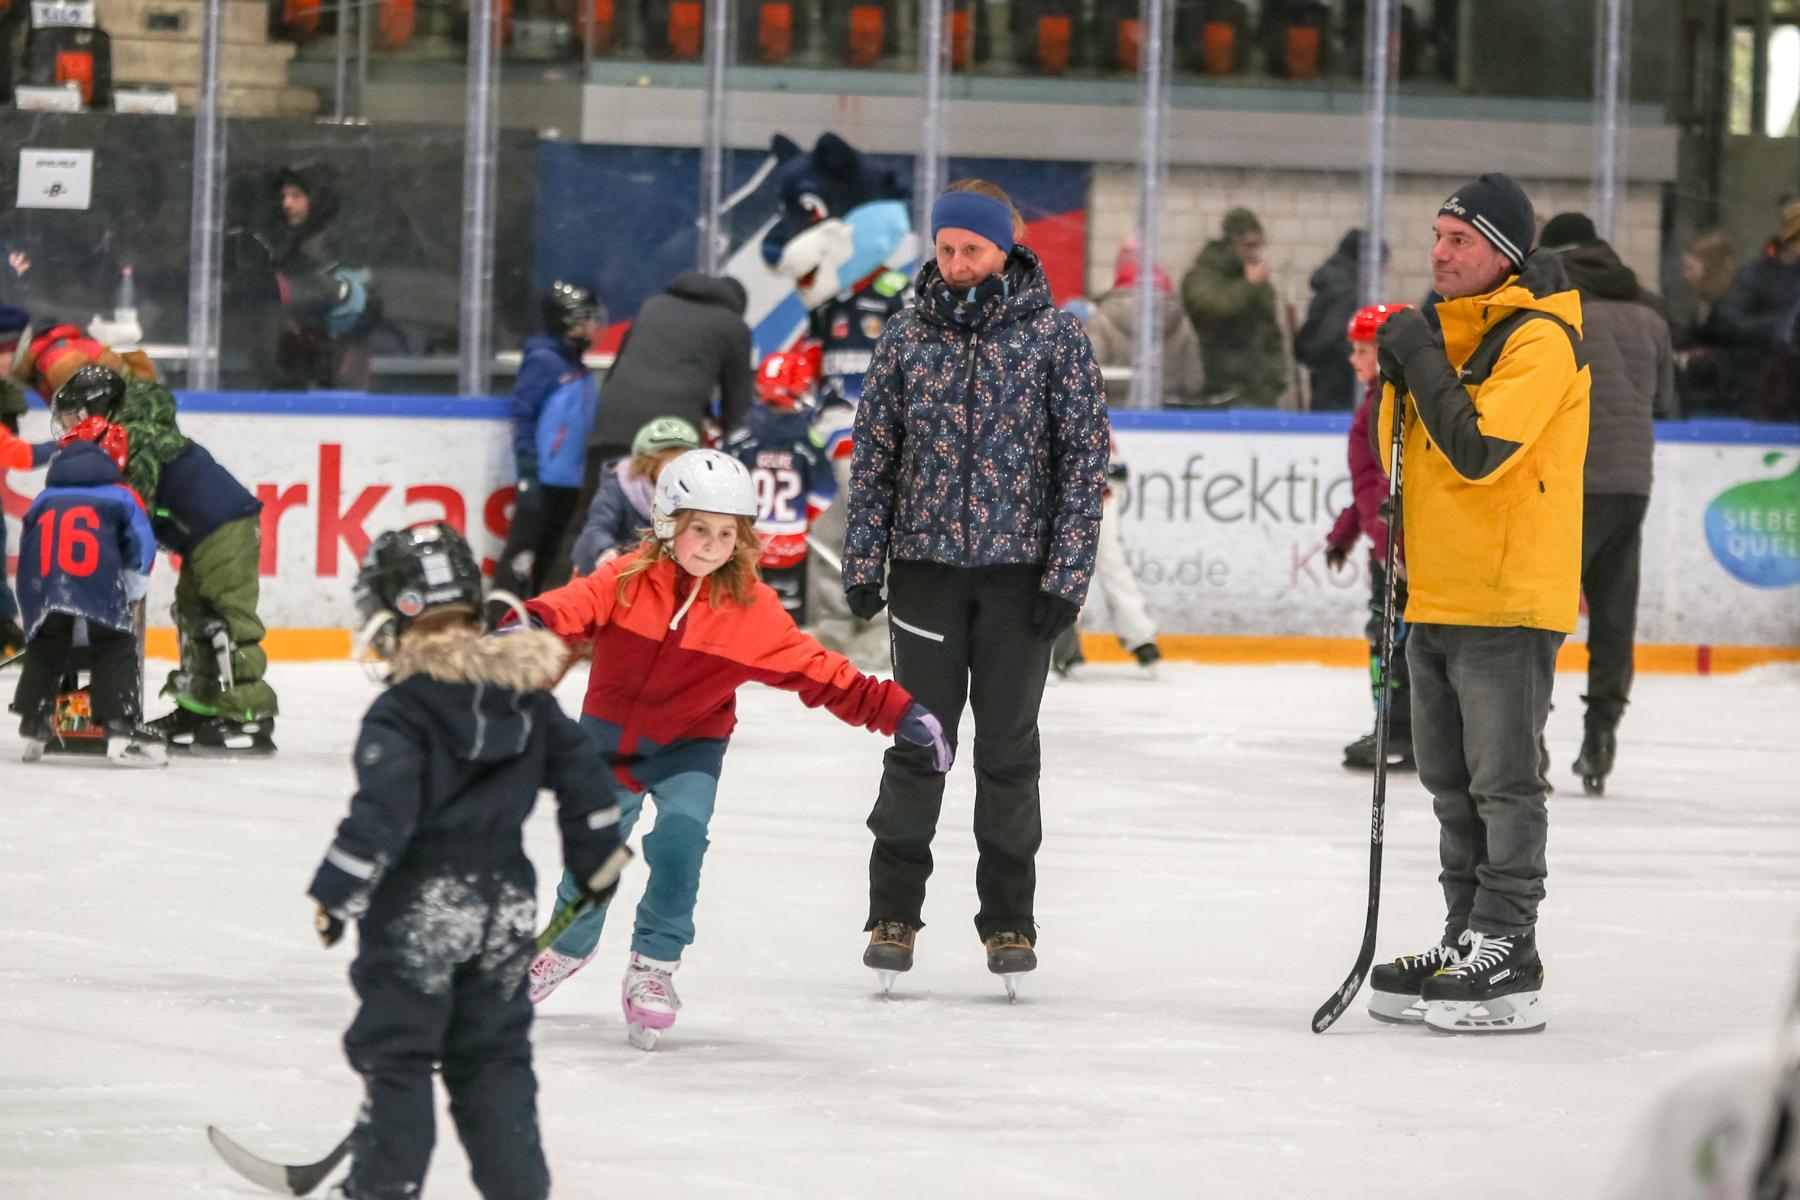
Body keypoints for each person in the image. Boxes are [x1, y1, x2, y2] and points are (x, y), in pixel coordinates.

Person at [519, 449, 949, 1048]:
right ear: (669, 524)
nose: (712, 544)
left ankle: (653, 967)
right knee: (592, 857)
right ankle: (564, 948)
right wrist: (531, 625)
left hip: (688, 748)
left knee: (681, 843)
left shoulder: (750, 609)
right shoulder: (623, 578)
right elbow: (573, 607)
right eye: (700, 529)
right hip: (606, 742)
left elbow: (819, 671)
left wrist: (898, 710)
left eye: (727, 533)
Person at [307, 522, 631, 1200]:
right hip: (504, 908)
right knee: (492, 1062)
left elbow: (383, 814)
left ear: (400, 611)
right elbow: (585, 777)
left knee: (398, 1057)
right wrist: (597, 850)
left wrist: (337, 892)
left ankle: (382, 1188)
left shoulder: (402, 712)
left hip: (417, 914)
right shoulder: (528, 701)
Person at [843, 180, 1109, 995]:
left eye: (974, 250)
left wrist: (1065, 577)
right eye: (947, 249)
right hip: (923, 576)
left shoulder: (1055, 341)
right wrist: (864, 562)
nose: (957, 265)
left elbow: (1083, 465)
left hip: (1017, 585)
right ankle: (893, 914)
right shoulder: (904, 337)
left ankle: (1008, 923)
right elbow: (876, 457)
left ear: (1008, 248)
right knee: (918, 745)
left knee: (1005, 754)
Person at [1364, 173, 1590, 1035]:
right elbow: (1411, 458)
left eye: (1459, 240)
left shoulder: (1540, 341)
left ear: (1504, 253)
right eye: (1437, 236)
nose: (1439, 253)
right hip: (1438, 594)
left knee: (1503, 783)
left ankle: (1510, 945)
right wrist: (1405, 365)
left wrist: (1417, 354)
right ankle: (1465, 933)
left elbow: (1479, 451)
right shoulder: (1452, 339)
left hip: (1506, 598)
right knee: (1449, 784)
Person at [1540, 212, 1678, 796]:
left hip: (1573, 483)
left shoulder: (1560, 312)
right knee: (1615, 613)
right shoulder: (1651, 316)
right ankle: (1601, 737)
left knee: (1540, 616)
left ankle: (1529, 742)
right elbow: (1666, 400)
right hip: (1632, 483)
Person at [80, 365, 278, 753]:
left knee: (228, 618)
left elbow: (136, 507)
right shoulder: (135, 432)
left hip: (225, 527)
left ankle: (250, 716)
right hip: (206, 531)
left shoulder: (136, 438)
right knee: (194, 616)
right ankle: (199, 706)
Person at [13, 411, 160, 766]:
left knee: (47, 646)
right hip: (97, 585)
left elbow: (28, 546)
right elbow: (143, 546)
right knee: (114, 644)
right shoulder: (122, 495)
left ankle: (34, 720)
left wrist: (33, 602)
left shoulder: (45, 498)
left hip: (43, 585)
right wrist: (134, 587)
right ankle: (119, 725)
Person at [1322, 302, 1413, 771]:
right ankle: (1401, 728)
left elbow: (1390, 486)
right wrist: (1344, 535)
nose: (1355, 360)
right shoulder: (1379, 400)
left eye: (1363, 350)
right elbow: (1370, 486)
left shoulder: (1394, 402)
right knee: (1394, 636)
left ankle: (1398, 730)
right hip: (1390, 546)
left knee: (1392, 638)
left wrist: (1394, 544)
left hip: (1400, 551)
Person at [493, 282, 602, 601]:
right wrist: (527, 471)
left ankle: (535, 616)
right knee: (522, 551)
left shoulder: (577, 367)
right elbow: (523, 414)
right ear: (570, 322)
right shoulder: (544, 360)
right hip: (543, 478)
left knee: (549, 554)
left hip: (569, 481)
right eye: (589, 318)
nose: (595, 327)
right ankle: (500, 622)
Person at [581, 271, 754, 473]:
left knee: (602, 500)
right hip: (669, 438)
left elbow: (617, 370)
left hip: (612, 425)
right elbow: (737, 405)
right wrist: (739, 459)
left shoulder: (653, 305)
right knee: (664, 502)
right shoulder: (733, 326)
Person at [725, 346, 838, 625]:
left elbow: (723, 486)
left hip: (746, 545)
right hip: (790, 546)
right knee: (785, 621)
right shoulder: (807, 439)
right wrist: (807, 520)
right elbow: (825, 491)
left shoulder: (740, 436)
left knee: (743, 612)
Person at [1051, 430, 1161, 680]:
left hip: (1100, 504)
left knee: (1111, 564)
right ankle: (1064, 646)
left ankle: (1141, 638)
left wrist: (1103, 474)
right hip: (1060, 505)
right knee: (1065, 571)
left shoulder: (1092, 417)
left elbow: (1118, 472)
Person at [1180, 207, 1289, 408]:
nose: (1254, 252)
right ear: (1230, 244)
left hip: (1261, 390)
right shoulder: (1202, 275)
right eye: (1248, 245)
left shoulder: (1258, 283)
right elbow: (1213, 308)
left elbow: (1270, 332)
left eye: (1258, 245)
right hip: (1223, 388)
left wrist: (1276, 376)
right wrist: (1248, 285)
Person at [567, 416, 699, 576]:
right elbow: (597, 527)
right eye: (671, 464)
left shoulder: (690, 495)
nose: (678, 471)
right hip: (602, 570)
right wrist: (607, 551)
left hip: (649, 574)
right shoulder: (618, 487)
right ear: (649, 463)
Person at [1080, 237, 1205, 406]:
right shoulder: (1181, 321)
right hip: (1170, 417)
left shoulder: (1102, 319)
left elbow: (1088, 376)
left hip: (1116, 416)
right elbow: (1194, 382)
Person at [1707, 201, 1800, 422]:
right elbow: (1729, 323)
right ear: (1791, 240)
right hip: (1765, 389)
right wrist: (1783, 325)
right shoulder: (1756, 275)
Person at [1296, 230, 1382, 412]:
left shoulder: (1334, 283)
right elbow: (1330, 337)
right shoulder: (1346, 293)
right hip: (1339, 387)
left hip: (1329, 382)